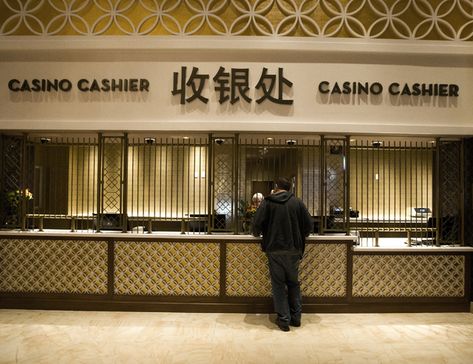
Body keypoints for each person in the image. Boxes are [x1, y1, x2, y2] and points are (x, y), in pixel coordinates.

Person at [252, 177, 313, 332]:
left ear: (276, 188)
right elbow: (308, 226)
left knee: (278, 285)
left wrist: (257, 233)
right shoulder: (297, 202)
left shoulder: (268, 202)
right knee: (293, 283)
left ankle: (284, 320)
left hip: (274, 250)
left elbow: (256, 225)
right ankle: (296, 318)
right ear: (289, 188)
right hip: (293, 250)